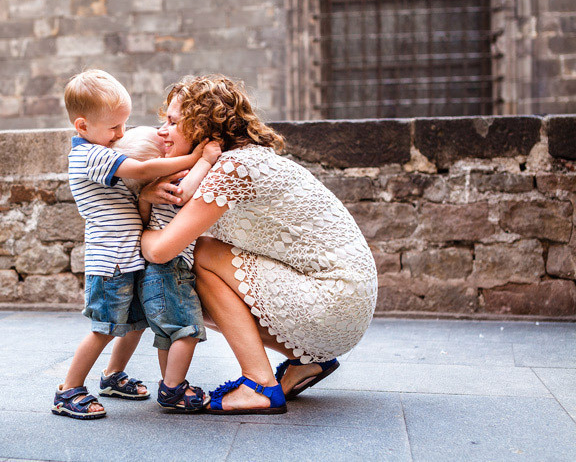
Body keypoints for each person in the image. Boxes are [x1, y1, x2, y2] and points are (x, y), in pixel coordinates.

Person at [141, 75, 378, 414]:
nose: (161, 130)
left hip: (333, 301)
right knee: (193, 276)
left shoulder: (233, 169)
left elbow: (162, 249)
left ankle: (259, 384)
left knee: (200, 256)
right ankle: (306, 361)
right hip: (348, 305)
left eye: (173, 122)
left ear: (202, 129)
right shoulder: (237, 161)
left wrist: (140, 224)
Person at [52, 70, 207, 420]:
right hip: (111, 263)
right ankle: (69, 389)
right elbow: (144, 168)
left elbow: (138, 198)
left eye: (124, 126)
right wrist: (200, 158)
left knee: (133, 324)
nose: (121, 135)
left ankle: (112, 377)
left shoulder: (101, 150)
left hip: (128, 258)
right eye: (114, 128)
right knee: (104, 328)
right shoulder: (91, 156)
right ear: (82, 126)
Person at [112, 126, 221, 411]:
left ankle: (169, 382)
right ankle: (173, 388)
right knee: (187, 330)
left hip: (150, 277)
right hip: (171, 271)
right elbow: (184, 194)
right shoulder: (174, 179)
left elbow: (145, 216)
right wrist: (205, 159)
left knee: (167, 335)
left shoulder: (147, 194)